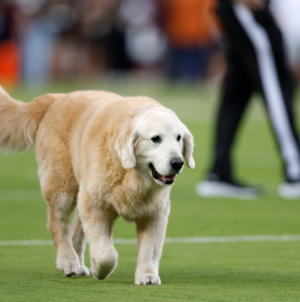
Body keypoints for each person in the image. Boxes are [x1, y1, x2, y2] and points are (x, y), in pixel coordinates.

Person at [196, 0, 300, 199]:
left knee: (237, 89)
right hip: (244, 9)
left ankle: (219, 172)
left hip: (242, 10)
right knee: (274, 81)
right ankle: (295, 171)